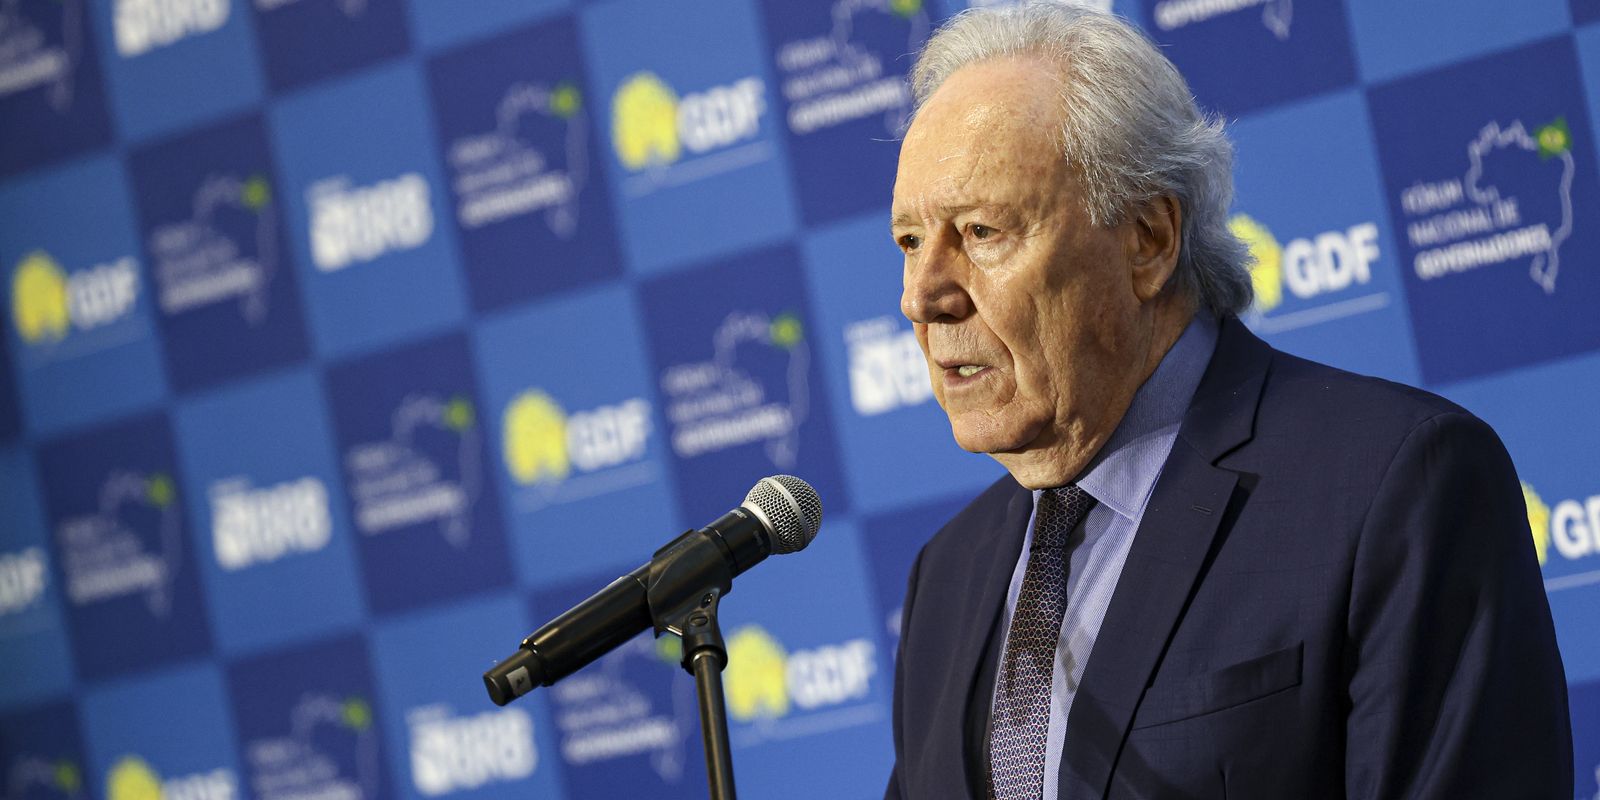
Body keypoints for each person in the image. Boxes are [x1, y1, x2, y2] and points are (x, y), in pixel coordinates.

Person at [883, 5, 1572, 799]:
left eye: (980, 231)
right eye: (910, 241)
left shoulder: (1395, 487)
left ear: (1148, 240)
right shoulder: (947, 575)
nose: (922, 295)